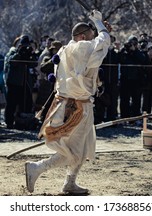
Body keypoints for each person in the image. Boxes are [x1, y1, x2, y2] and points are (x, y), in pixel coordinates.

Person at [25, 10, 111, 195]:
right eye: (89, 35)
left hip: (76, 104)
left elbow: (100, 43)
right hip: (75, 107)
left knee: (83, 146)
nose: (92, 38)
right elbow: (103, 42)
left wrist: (101, 29)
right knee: (73, 150)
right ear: (81, 37)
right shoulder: (79, 48)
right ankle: (37, 168)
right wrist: (99, 24)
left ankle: (70, 182)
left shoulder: (67, 49)